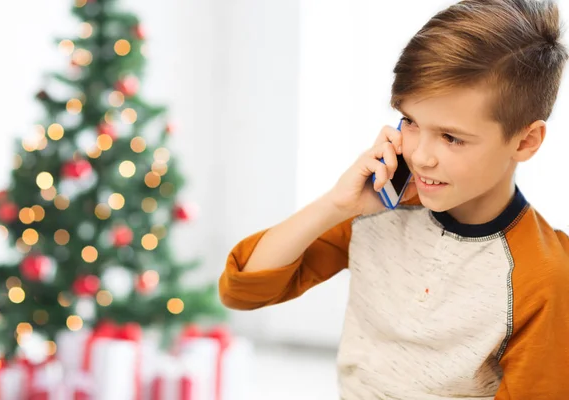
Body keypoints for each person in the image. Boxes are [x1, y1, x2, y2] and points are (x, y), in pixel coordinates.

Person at [218, 0, 569, 398]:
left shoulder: (544, 277)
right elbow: (243, 290)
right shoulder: (379, 209)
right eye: (411, 122)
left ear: (525, 141)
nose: (420, 156)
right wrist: (337, 205)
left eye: (451, 137)